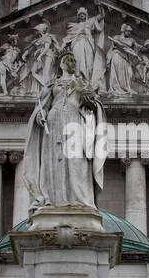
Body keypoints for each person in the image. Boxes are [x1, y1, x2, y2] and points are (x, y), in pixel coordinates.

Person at [21, 53, 106, 212]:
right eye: (68, 60)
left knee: (77, 161)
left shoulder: (83, 83)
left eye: (74, 60)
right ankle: (53, 199)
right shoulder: (52, 84)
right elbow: (43, 105)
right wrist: (40, 115)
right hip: (54, 124)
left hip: (75, 121)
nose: (72, 62)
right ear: (61, 64)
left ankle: (80, 199)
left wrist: (91, 103)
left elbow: (94, 105)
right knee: (54, 161)